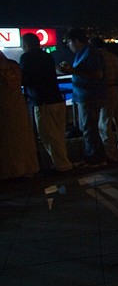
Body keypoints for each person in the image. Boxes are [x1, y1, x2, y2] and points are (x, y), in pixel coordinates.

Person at [19, 32, 73, 173]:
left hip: (42, 101)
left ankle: (62, 165)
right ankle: (62, 162)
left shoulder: (26, 58)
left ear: (25, 44)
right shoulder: (47, 56)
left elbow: (24, 79)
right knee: (59, 134)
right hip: (57, 99)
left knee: (47, 135)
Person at [58, 28, 107, 167]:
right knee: (89, 128)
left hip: (90, 96)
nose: (68, 45)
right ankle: (95, 157)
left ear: (77, 41)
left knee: (89, 128)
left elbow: (98, 74)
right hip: (86, 96)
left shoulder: (90, 52)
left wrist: (72, 71)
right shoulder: (84, 53)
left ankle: (94, 159)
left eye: (69, 42)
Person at [0, 51, 40, 180]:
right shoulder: (14, 66)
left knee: (8, 142)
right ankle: (28, 169)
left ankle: (11, 171)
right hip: (19, 106)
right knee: (24, 139)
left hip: (4, 109)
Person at [90, 38, 118, 163]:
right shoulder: (113, 56)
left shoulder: (97, 57)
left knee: (104, 124)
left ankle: (111, 154)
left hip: (107, 90)